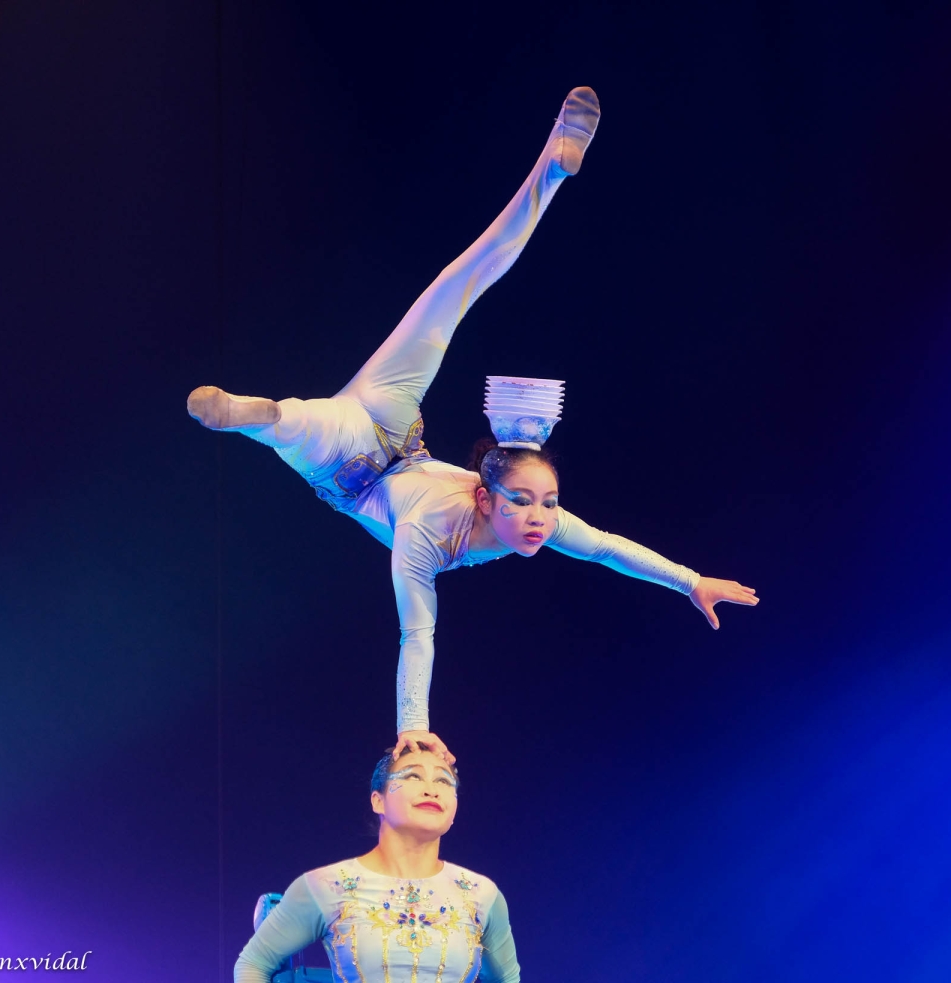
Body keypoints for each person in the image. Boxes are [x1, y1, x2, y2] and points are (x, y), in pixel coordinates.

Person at [188, 87, 759, 763]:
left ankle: (553, 164)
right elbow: (420, 633)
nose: (543, 517)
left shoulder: (479, 531)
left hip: (364, 454)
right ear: (487, 496)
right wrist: (411, 727)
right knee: (450, 295)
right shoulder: (442, 531)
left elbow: (603, 546)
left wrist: (690, 580)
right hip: (385, 440)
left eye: (546, 501)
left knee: (343, 397)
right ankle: (259, 415)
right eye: (528, 500)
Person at [233, 743, 518, 983]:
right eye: (413, 776)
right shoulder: (326, 886)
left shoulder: (482, 893)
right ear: (377, 801)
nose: (432, 789)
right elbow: (252, 965)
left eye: (444, 781)